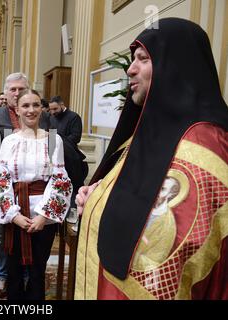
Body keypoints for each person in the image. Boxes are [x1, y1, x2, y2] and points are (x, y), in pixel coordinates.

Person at [74, 18, 227, 300]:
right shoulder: (150, 134)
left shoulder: (205, 147)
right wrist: (95, 196)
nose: (130, 69)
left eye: (143, 58)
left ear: (175, 64)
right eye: (133, 59)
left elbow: (161, 252)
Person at [0, 89, 72, 300]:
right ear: (17, 110)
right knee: (14, 272)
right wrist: (13, 214)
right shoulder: (9, 142)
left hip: (42, 216)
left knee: (38, 271)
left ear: (42, 108)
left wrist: (43, 216)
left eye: (36, 105)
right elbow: (1, 180)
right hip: (15, 216)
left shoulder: (54, 140)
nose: (31, 110)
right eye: (25, 106)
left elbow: (60, 180)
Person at [49, 95, 88, 205]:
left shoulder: (74, 117)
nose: (52, 112)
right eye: (50, 109)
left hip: (71, 157)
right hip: (55, 157)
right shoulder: (51, 117)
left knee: (74, 189)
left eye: (55, 109)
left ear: (62, 105)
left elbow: (76, 137)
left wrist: (60, 142)